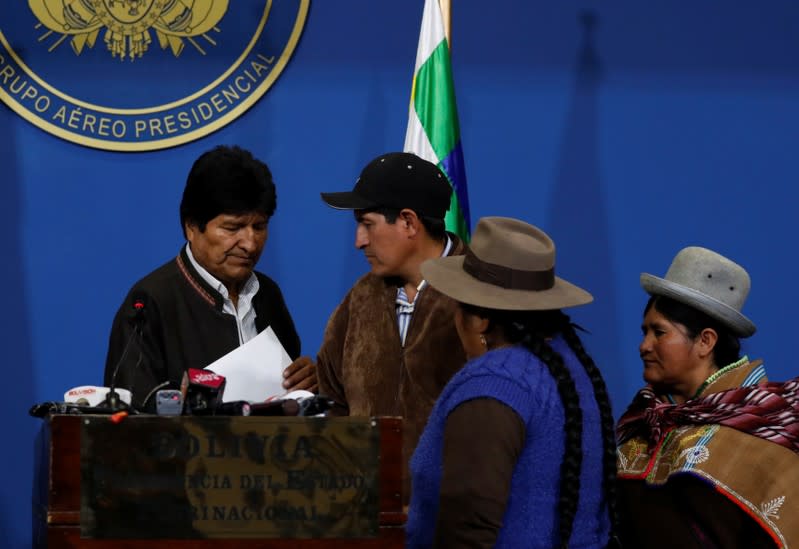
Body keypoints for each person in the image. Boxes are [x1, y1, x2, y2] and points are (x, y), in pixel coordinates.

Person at [406, 217, 617, 548]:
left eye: (457, 310)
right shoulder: (575, 368)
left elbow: (468, 527)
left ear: (481, 321)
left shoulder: (492, 383)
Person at [104, 145, 315, 412]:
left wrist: (306, 385)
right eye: (233, 227)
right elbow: (129, 417)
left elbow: (291, 403)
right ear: (191, 227)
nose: (250, 244)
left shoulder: (268, 294)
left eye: (259, 227)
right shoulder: (149, 303)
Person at [616, 246, 799, 548]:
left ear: (705, 341)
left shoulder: (766, 435)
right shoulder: (645, 424)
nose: (643, 346)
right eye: (644, 332)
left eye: (658, 333)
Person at [312, 151, 467, 502]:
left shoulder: (481, 299)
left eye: (367, 224)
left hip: (454, 526)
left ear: (409, 223)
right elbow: (331, 401)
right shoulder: (360, 299)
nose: (358, 241)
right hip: (365, 522)